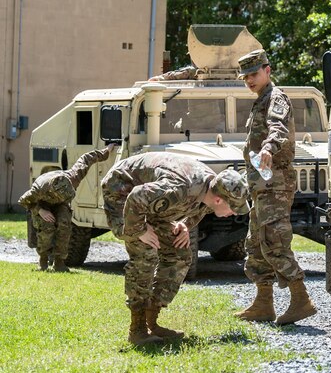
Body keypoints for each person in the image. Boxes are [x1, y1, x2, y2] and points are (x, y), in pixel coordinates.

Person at [101, 153, 249, 345]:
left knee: (180, 254)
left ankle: (151, 322)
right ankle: (137, 330)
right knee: (145, 253)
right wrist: (141, 230)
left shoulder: (212, 187)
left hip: (150, 199)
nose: (234, 213)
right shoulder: (179, 188)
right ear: (220, 200)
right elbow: (136, 197)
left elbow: (202, 207)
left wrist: (185, 224)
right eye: (234, 208)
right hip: (122, 190)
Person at [234, 49, 317, 325]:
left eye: (254, 74)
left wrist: (269, 147)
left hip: (275, 184)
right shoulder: (260, 100)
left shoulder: (276, 98)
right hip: (261, 186)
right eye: (245, 77)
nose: (249, 80)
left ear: (267, 71)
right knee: (256, 244)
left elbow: (278, 128)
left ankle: (301, 299)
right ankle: (263, 304)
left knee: (274, 241)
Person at [19, 144, 116, 272]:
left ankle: (59, 262)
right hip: (42, 204)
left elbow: (86, 159)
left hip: (61, 203)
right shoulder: (39, 189)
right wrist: (40, 210)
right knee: (47, 228)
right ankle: (43, 261)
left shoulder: (73, 176)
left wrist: (106, 152)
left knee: (64, 224)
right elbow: (23, 201)